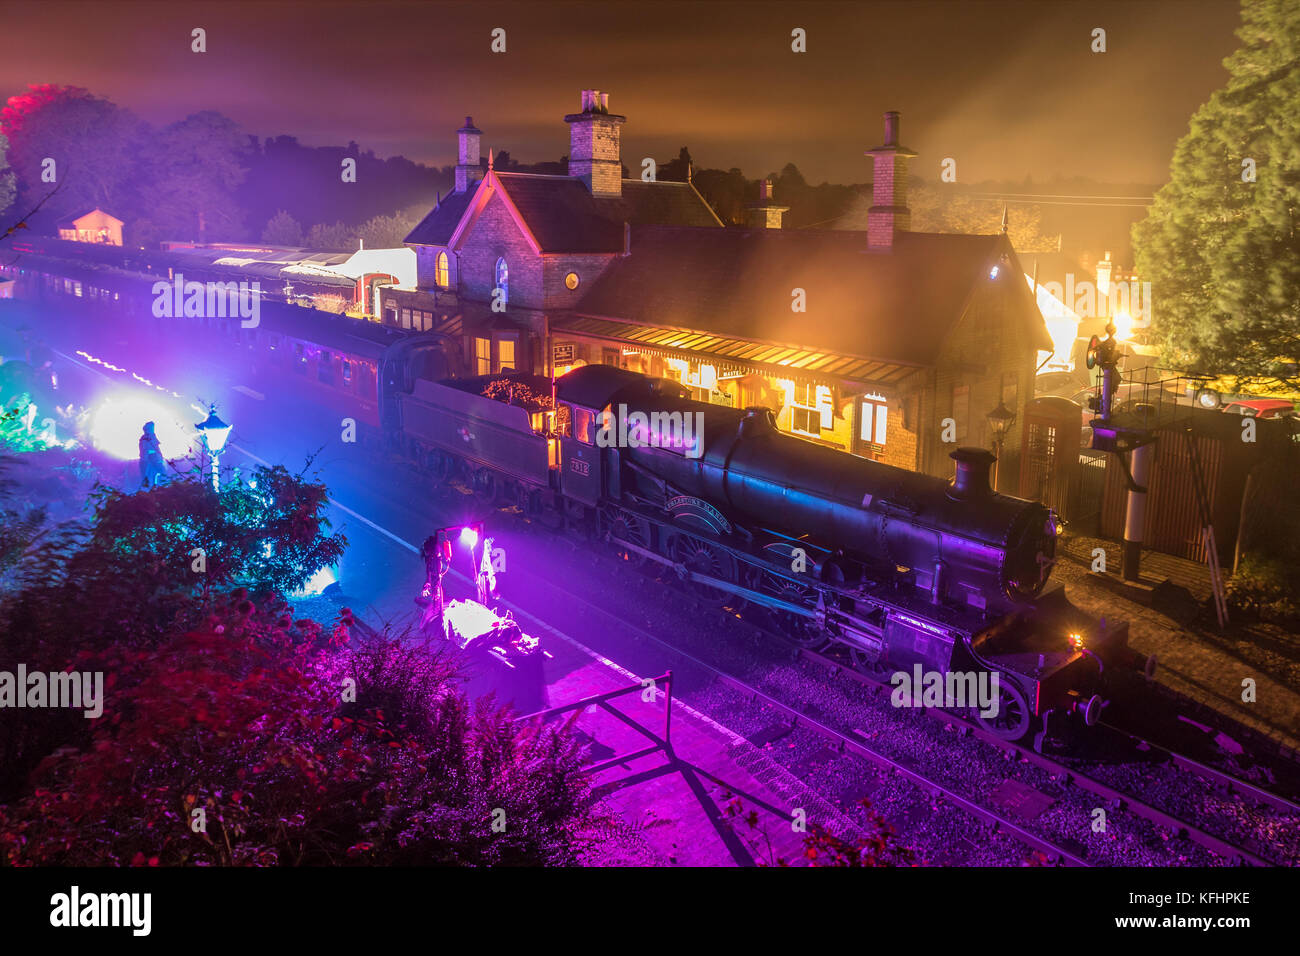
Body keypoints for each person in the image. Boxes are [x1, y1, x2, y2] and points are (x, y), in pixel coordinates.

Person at [138, 421, 167, 488]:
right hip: (150, 459)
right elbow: (146, 449)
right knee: (155, 473)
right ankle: (153, 486)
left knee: (158, 473)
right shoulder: (145, 438)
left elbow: (156, 447)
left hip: (153, 458)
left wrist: (159, 456)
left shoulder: (151, 436)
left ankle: (157, 486)